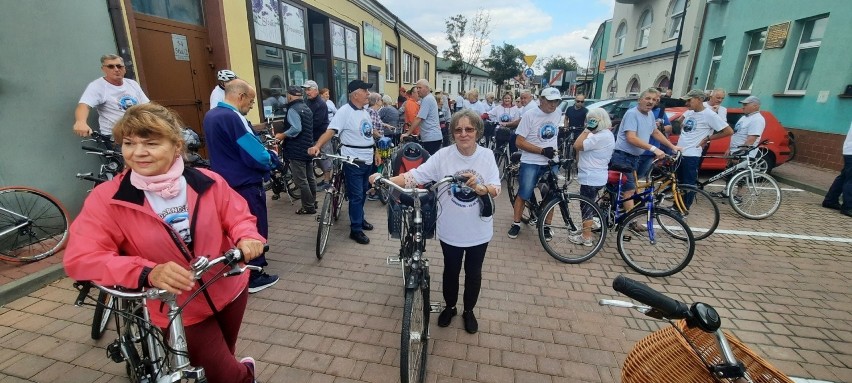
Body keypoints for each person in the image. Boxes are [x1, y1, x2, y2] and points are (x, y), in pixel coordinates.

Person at [64, 103, 263, 383]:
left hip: (229, 289)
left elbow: (238, 215)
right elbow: (81, 257)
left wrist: (247, 236)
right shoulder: (108, 198)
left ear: (176, 145)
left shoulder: (207, 181)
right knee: (225, 374)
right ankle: (246, 375)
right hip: (177, 307)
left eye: (151, 143)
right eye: (129, 143)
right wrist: (147, 272)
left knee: (222, 357)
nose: (138, 152)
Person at [369, 109, 499, 334]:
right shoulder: (443, 156)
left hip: (478, 227)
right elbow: (414, 176)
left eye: (469, 129)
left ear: (477, 131)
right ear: (452, 133)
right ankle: (450, 307)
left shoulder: (486, 156)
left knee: (473, 271)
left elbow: (495, 188)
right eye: (458, 130)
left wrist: (481, 188)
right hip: (451, 227)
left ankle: (469, 311)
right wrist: (385, 179)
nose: (463, 134)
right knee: (450, 269)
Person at [203, 79, 279, 293]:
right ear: (241, 96)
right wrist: (272, 158)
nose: (252, 106)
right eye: (252, 101)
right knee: (253, 226)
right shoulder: (232, 117)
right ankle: (254, 274)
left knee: (231, 227)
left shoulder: (211, 115)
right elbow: (254, 152)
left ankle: (237, 267)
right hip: (244, 182)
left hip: (224, 182)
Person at [308, 80, 376, 245]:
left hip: (368, 158)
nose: (368, 94)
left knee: (364, 192)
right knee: (356, 196)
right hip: (353, 160)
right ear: (355, 94)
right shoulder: (344, 111)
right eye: (365, 91)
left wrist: (377, 146)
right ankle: (356, 229)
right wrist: (317, 145)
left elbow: (368, 133)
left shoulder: (364, 111)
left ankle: (360, 218)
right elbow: (331, 131)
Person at [611, 88, 682, 217]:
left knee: (627, 188)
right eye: (647, 98)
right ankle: (630, 221)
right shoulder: (632, 114)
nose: (651, 102)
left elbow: (655, 132)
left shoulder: (650, 115)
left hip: (635, 157)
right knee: (629, 190)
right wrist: (654, 148)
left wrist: (672, 146)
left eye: (654, 100)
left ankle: (612, 207)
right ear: (640, 99)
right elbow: (631, 137)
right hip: (623, 156)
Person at [508, 88, 563, 239]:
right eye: (550, 101)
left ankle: (546, 226)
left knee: (551, 195)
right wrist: (542, 151)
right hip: (531, 161)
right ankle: (516, 223)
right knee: (524, 193)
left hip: (551, 162)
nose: (553, 105)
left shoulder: (558, 112)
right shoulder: (529, 115)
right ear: (541, 99)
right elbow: (519, 142)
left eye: (556, 101)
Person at [676, 89, 733, 206]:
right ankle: (677, 205)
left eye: (689, 100)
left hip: (692, 154)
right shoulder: (690, 112)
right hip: (680, 152)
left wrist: (708, 138)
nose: (686, 103)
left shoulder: (709, 114)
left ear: (699, 99)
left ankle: (684, 208)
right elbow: (680, 121)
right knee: (679, 182)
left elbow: (728, 131)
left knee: (688, 183)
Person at [74, 54, 149, 138]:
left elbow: (146, 106)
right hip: (116, 135)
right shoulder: (97, 86)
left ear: (124, 69)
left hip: (139, 131)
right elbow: (84, 105)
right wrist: (80, 122)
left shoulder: (132, 84)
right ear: (103, 69)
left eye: (119, 66)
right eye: (111, 66)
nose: (116, 69)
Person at [569, 108, 615, 246]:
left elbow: (577, 145)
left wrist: (587, 129)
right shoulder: (604, 134)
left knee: (586, 207)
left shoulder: (600, 136)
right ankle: (586, 230)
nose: (589, 123)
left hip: (591, 177)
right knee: (590, 204)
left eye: (591, 120)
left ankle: (586, 236)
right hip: (596, 175)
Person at [276, 85, 316, 214]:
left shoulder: (293, 109)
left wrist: (282, 135)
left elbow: (296, 128)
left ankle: (308, 207)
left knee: (301, 180)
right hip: (308, 147)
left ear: (289, 95)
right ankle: (313, 202)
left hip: (296, 149)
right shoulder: (306, 108)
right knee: (310, 178)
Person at [302, 80, 332, 192]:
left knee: (324, 158)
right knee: (318, 160)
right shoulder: (307, 101)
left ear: (315, 90)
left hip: (322, 136)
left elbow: (316, 122)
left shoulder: (321, 104)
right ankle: (324, 178)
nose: (307, 92)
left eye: (309, 89)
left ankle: (327, 181)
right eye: (305, 90)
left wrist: (303, 126)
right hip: (312, 136)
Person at [636, 98, 673, 179]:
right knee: (629, 180)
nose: (653, 101)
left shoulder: (660, 112)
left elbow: (669, 128)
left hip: (651, 153)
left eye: (656, 99)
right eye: (650, 98)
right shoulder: (635, 111)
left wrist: (660, 126)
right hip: (638, 151)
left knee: (640, 177)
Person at [823, 121, 852, 217]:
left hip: (849, 150)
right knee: (850, 179)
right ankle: (848, 207)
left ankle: (830, 200)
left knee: (844, 177)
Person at [406, 79, 442, 154]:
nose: (418, 90)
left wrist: (408, 133)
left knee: (429, 162)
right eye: (417, 88)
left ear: (427, 88)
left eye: (420, 88)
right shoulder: (427, 99)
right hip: (432, 137)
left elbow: (419, 118)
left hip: (431, 138)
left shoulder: (427, 99)